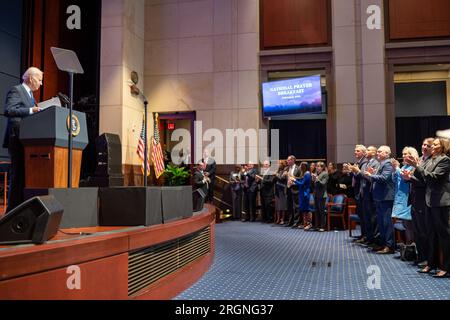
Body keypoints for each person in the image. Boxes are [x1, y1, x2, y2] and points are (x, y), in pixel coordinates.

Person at [405, 138, 450, 278]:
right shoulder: (431, 160)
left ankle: (446, 267)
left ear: (442, 147)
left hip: (441, 201)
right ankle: (432, 263)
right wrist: (412, 174)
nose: (433, 147)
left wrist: (417, 166)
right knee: (431, 233)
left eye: (436, 144)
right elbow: (424, 179)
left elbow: (434, 177)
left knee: (443, 236)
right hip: (429, 201)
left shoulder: (445, 160)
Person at [3, 67, 43, 212]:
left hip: (28, 140)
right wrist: (31, 110)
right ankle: (11, 211)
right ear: (31, 78)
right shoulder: (17, 90)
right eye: (39, 80)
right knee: (17, 174)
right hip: (17, 139)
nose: (41, 83)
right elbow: (9, 110)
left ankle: (21, 208)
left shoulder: (31, 95)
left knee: (24, 176)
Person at [401, 138, 434, 266]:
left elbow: (426, 182)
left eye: (428, 145)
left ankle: (427, 258)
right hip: (414, 199)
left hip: (424, 198)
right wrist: (408, 178)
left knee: (424, 231)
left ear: (432, 149)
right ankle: (420, 256)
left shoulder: (431, 161)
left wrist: (411, 178)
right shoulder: (420, 159)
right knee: (417, 230)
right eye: (423, 144)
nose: (424, 146)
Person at [364, 146, 396, 254]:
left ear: (387, 154)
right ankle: (383, 244)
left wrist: (371, 175)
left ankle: (389, 246)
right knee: (381, 223)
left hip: (386, 197)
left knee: (386, 222)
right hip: (379, 197)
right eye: (377, 151)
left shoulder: (387, 163)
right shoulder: (381, 163)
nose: (377, 153)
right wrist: (372, 174)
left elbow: (383, 178)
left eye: (380, 151)